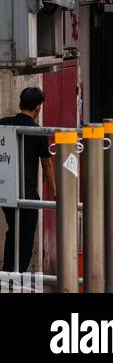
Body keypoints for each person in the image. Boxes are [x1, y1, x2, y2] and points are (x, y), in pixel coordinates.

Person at [1, 87, 56, 275]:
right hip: (26, 192)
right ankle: (16, 277)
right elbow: (47, 164)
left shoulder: (3, 124)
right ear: (38, 107)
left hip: (6, 190)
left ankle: (7, 274)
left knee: (13, 231)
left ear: (20, 103)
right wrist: (54, 190)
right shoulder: (37, 131)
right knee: (24, 237)